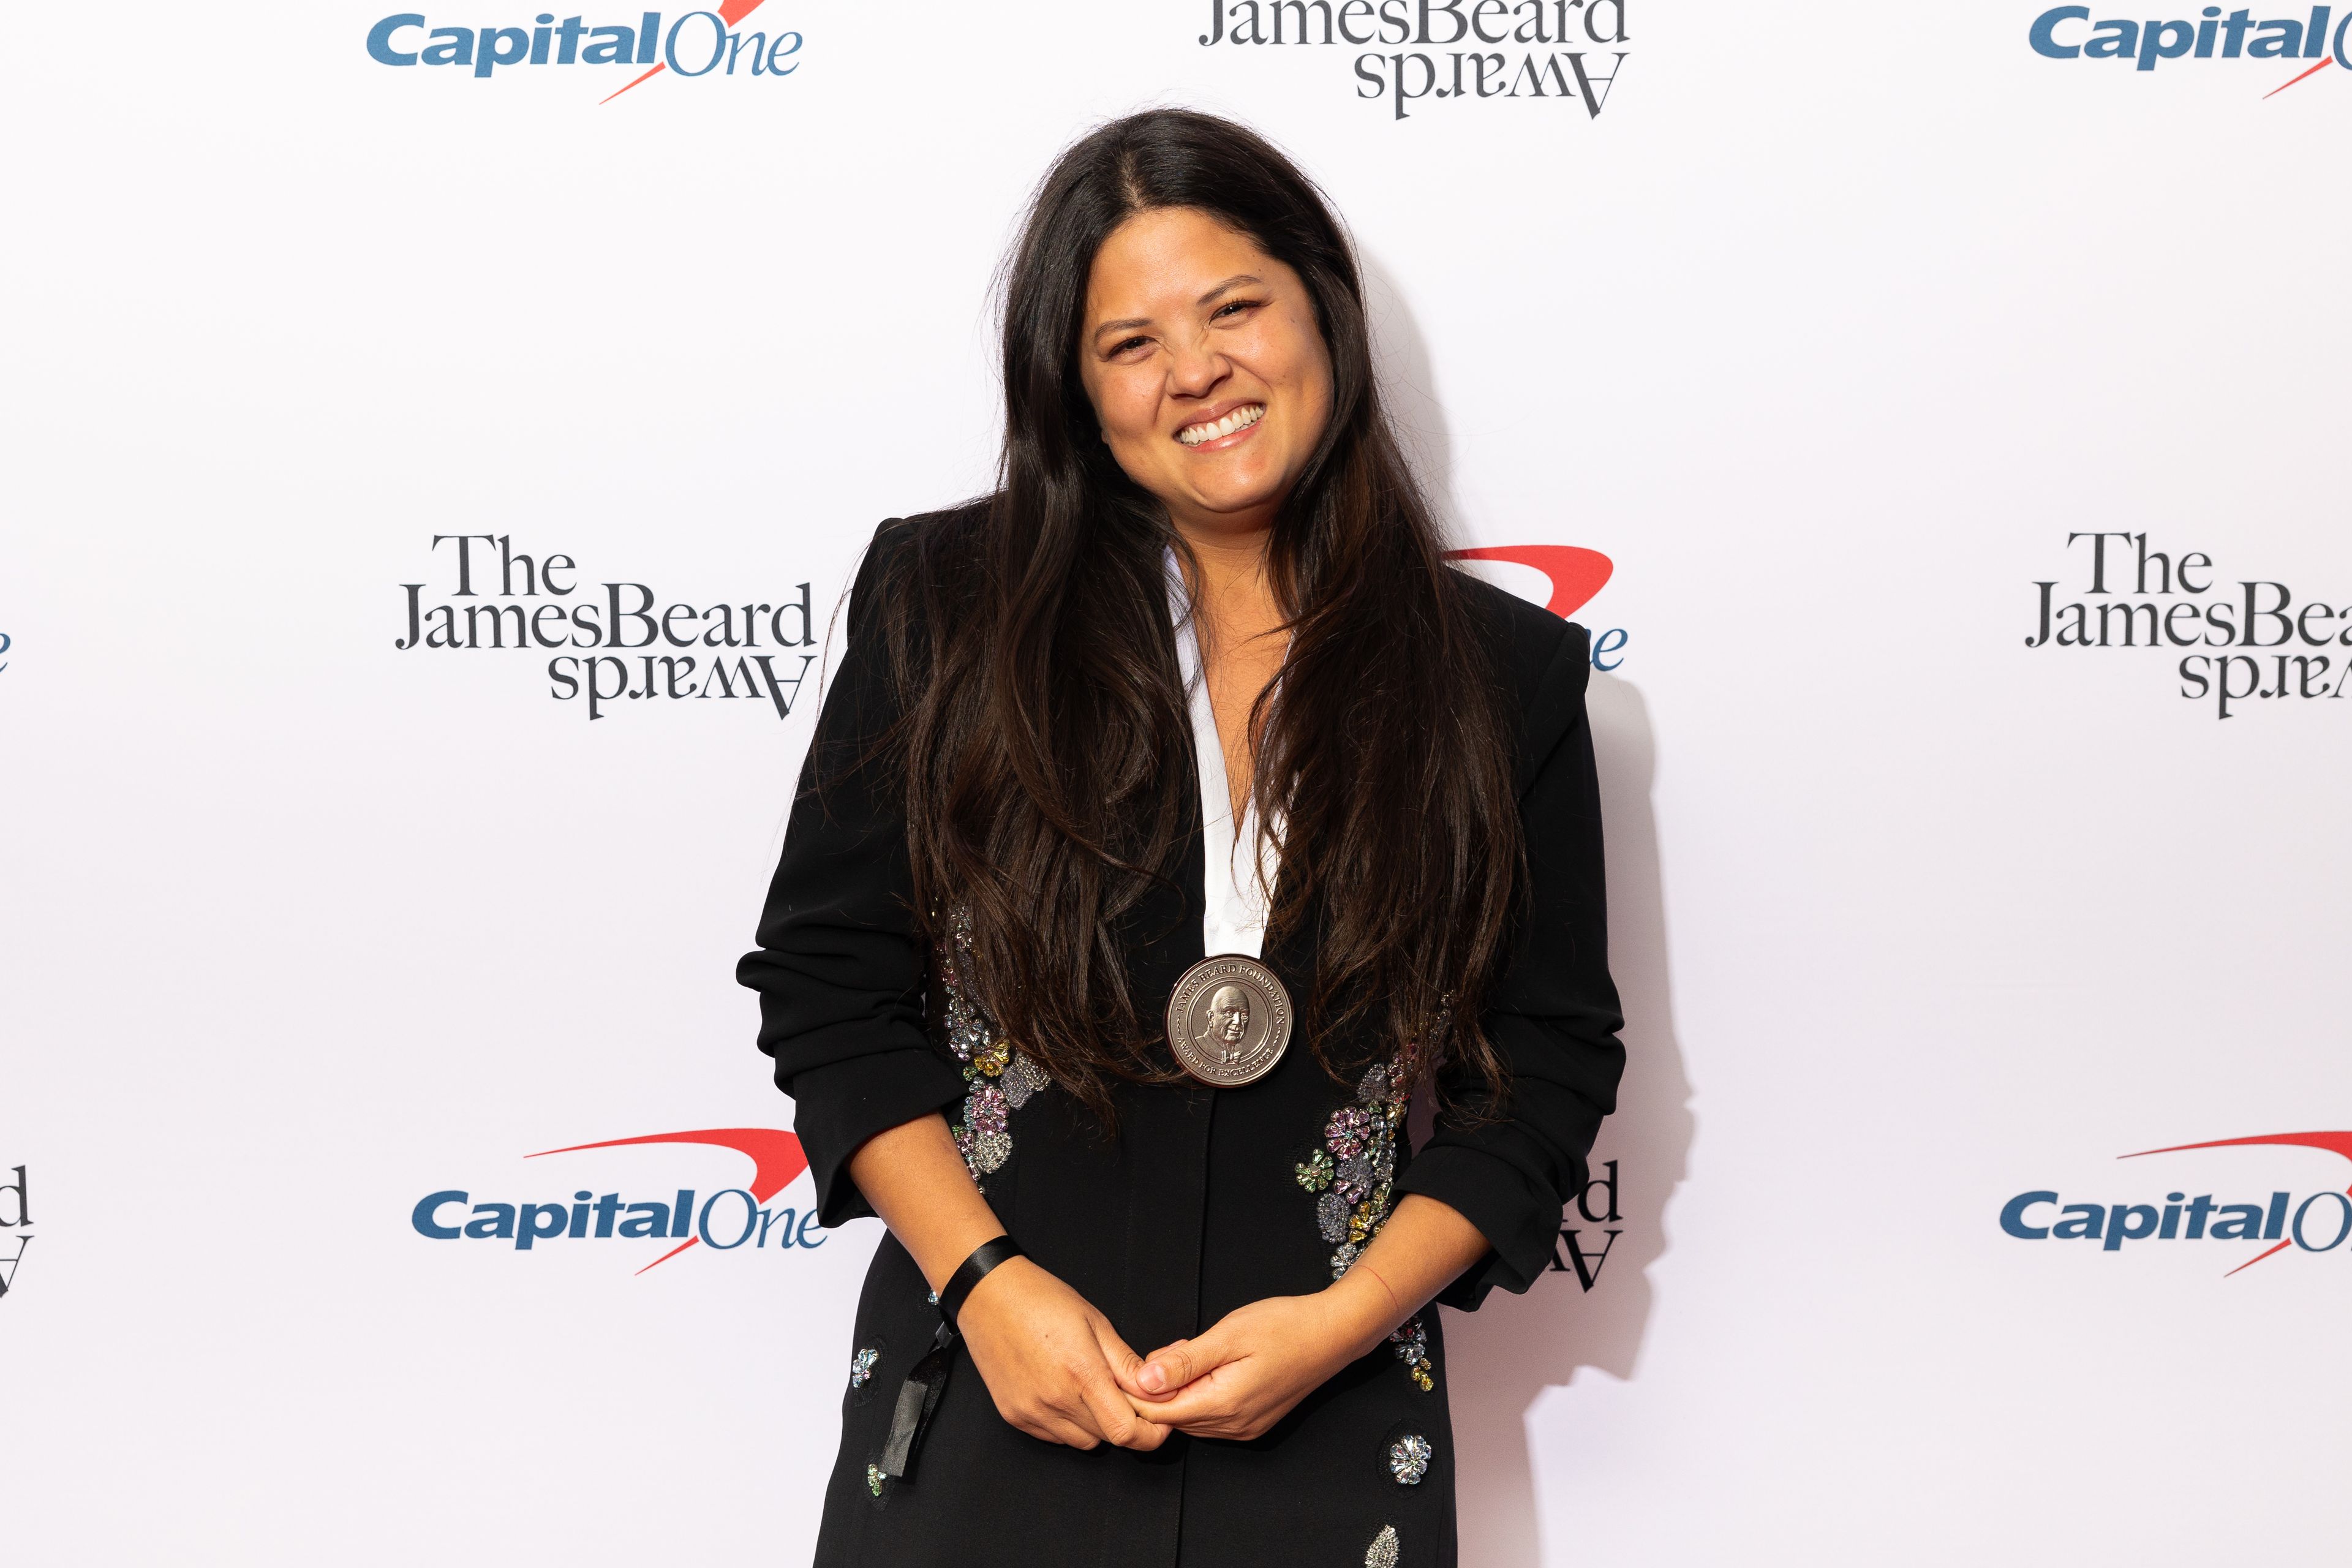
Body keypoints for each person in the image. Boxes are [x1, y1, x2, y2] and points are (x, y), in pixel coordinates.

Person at [736, 107, 1623, 1568]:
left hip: (1327, 1422)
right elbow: (831, 988)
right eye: (1129, 342)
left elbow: (1545, 1066)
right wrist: (986, 1283)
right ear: (1078, 392)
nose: (1195, 370)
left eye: (1233, 308)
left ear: (1320, 311)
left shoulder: (1499, 676)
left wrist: (1342, 1323)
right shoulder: (944, 607)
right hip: (991, 1399)